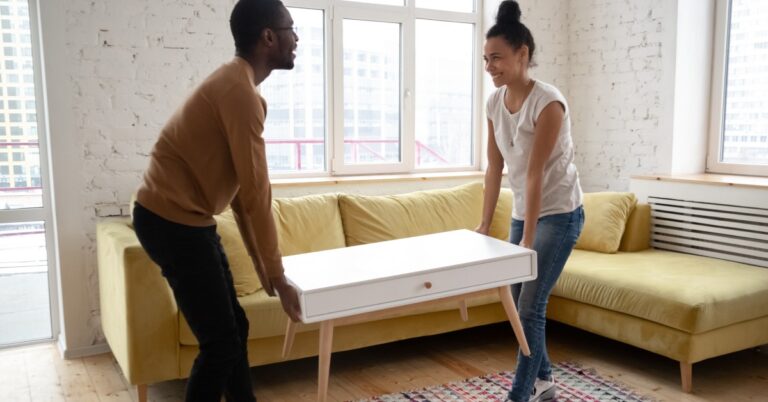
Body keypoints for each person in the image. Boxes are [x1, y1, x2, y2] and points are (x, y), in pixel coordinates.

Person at [131, 1, 301, 401]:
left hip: (185, 222)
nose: (297, 39)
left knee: (234, 330)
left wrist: (265, 271)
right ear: (268, 37)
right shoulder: (238, 93)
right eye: (291, 29)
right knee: (221, 342)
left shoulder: (241, 90)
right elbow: (259, 194)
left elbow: (244, 196)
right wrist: (277, 275)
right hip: (170, 222)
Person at [475, 1, 584, 401]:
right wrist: (485, 225)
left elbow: (536, 172)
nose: (490, 67)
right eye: (486, 59)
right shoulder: (493, 104)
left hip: (561, 214)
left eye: (497, 58)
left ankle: (518, 396)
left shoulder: (549, 103)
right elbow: (493, 168)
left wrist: (528, 238)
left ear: (522, 55)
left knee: (530, 308)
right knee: (519, 302)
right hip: (525, 212)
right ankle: (546, 382)